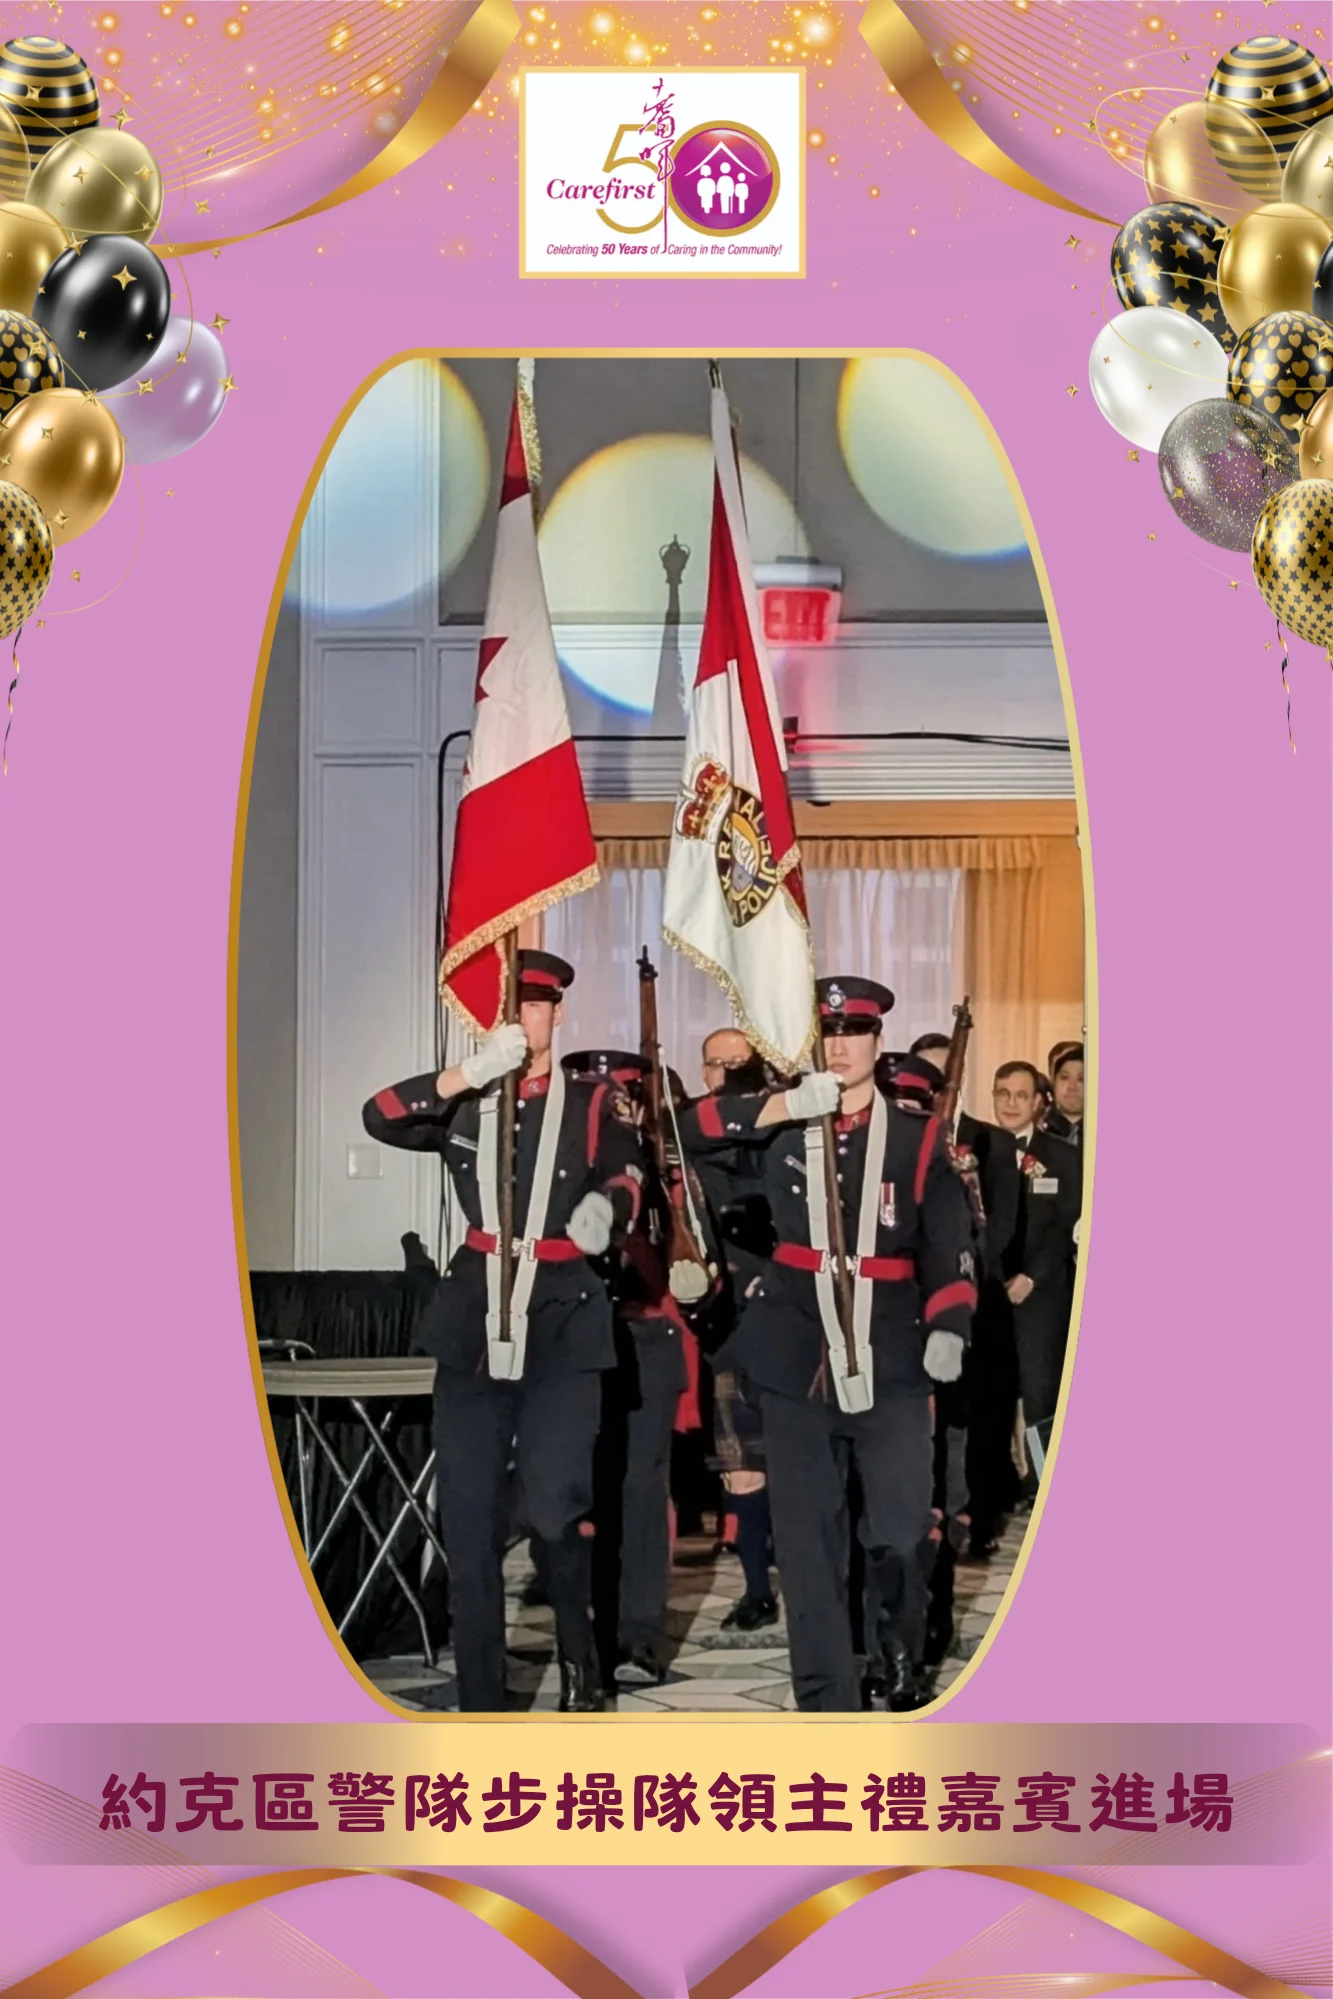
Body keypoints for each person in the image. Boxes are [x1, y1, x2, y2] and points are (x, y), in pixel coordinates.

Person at [678, 977, 977, 1712]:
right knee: (808, 1542)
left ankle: (898, 1648)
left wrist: (949, 1324)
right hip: (794, 1355)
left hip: (894, 1354)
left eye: (854, 1032)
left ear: (878, 1043)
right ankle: (825, 1693)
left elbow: (948, 1243)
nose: (840, 1046)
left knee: (900, 1529)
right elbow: (685, 1130)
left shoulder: (917, 1137)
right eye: (828, 1034)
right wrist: (784, 1103)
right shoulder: (779, 1126)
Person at [361, 951, 642, 1714]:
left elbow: (627, 1174)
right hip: (474, 1319)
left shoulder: (592, 1100)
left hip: (561, 1318)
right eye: (508, 1009)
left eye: (536, 1006)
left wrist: (605, 1214)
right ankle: (481, 1695)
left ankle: (582, 1656)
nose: (524, 1019)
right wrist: (463, 1072)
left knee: (555, 1503)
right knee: (470, 1517)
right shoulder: (465, 1100)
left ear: (557, 1013)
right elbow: (378, 1114)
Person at [562, 1046, 693, 1690]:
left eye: (623, 1103)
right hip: (576, 1344)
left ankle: (638, 1633)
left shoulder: (674, 1177)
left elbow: (688, 1263)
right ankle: (584, 1632)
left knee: (641, 1492)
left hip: (645, 1337)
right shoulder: (557, 1173)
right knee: (576, 1490)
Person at [692, 1028, 779, 1635]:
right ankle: (755, 1589)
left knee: (803, 1465)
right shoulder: (693, 1133)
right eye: (716, 1064)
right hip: (733, 1320)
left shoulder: (787, 1131)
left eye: (738, 1064)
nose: (726, 1073)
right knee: (741, 1467)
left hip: (796, 1317)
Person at [971, 1061, 1077, 1532]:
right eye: (1002, 1093)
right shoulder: (976, 1151)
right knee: (991, 1394)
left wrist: (1033, 1276)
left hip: (1041, 1295)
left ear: (1040, 1102)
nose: (1010, 1103)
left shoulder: (1064, 1157)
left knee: (1039, 1396)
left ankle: (1042, 1482)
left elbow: (1068, 1230)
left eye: (1021, 1095)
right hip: (989, 1293)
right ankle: (995, 1486)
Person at [1042, 1043, 1084, 1150]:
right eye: (1065, 1077)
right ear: (1053, 1081)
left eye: (1081, 1079)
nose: (1072, 1087)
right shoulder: (1036, 1131)